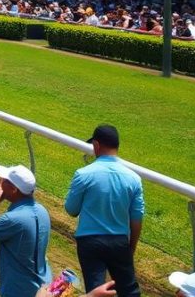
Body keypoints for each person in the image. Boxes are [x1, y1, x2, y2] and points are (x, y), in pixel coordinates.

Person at [65, 125, 145, 297]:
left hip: (89, 242)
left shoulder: (83, 174)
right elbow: (137, 218)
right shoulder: (134, 179)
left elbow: (71, 209)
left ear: (96, 145)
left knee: (96, 292)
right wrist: (131, 247)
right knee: (130, 292)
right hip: (119, 242)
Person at [0, 164, 52, 297]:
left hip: (19, 290)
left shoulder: (12, 219)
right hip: (43, 286)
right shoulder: (42, 211)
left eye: (4, 181)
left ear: (13, 189)